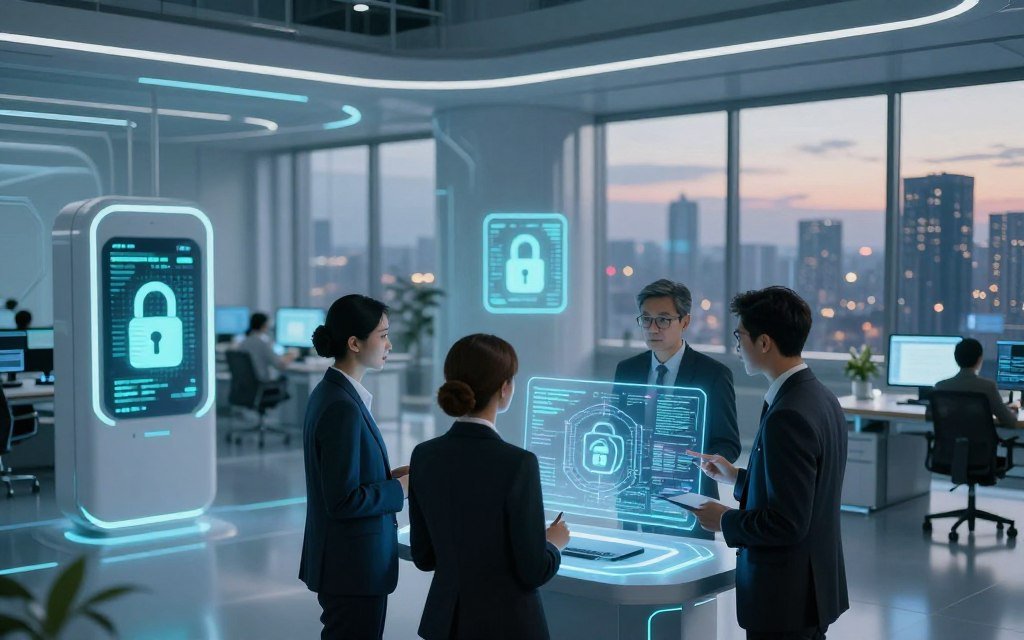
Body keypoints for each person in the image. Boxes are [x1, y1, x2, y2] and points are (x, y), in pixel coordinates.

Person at [688, 286, 848, 640]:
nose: (736, 345)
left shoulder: (788, 414)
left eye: (739, 335)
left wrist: (724, 519)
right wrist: (738, 478)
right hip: (811, 589)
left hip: (784, 597)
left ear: (763, 343)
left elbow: (787, 523)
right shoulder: (820, 396)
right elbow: (805, 490)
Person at [409, 334, 569, 640]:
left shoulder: (424, 455)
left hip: (446, 624)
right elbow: (533, 570)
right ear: (505, 388)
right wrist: (553, 543)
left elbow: (424, 557)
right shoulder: (517, 463)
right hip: (508, 625)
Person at [298, 294, 410, 640]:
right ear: (354, 343)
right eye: (383, 335)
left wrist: (388, 478)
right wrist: (400, 491)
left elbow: (342, 479)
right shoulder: (341, 407)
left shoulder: (335, 394)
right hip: (352, 567)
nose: (389, 344)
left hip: (348, 563)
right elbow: (343, 499)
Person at [614, 279, 740, 500]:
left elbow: (728, 443)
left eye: (663, 320)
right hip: (635, 494)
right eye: (646, 319)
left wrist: (694, 462)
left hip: (690, 493)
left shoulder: (713, 375)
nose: (653, 328)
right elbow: (617, 426)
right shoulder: (627, 370)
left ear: (685, 321)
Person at [930, 338, 1020, 427]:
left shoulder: (940, 387)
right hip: (980, 441)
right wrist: (1014, 410)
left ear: (955, 358)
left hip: (949, 441)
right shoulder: (987, 387)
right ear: (979, 359)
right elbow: (1009, 421)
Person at [237, 312, 297, 382]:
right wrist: (292, 355)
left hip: (247, 385)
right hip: (261, 384)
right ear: (264, 325)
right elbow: (279, 365)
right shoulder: (262, 343)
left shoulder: (243, 343)